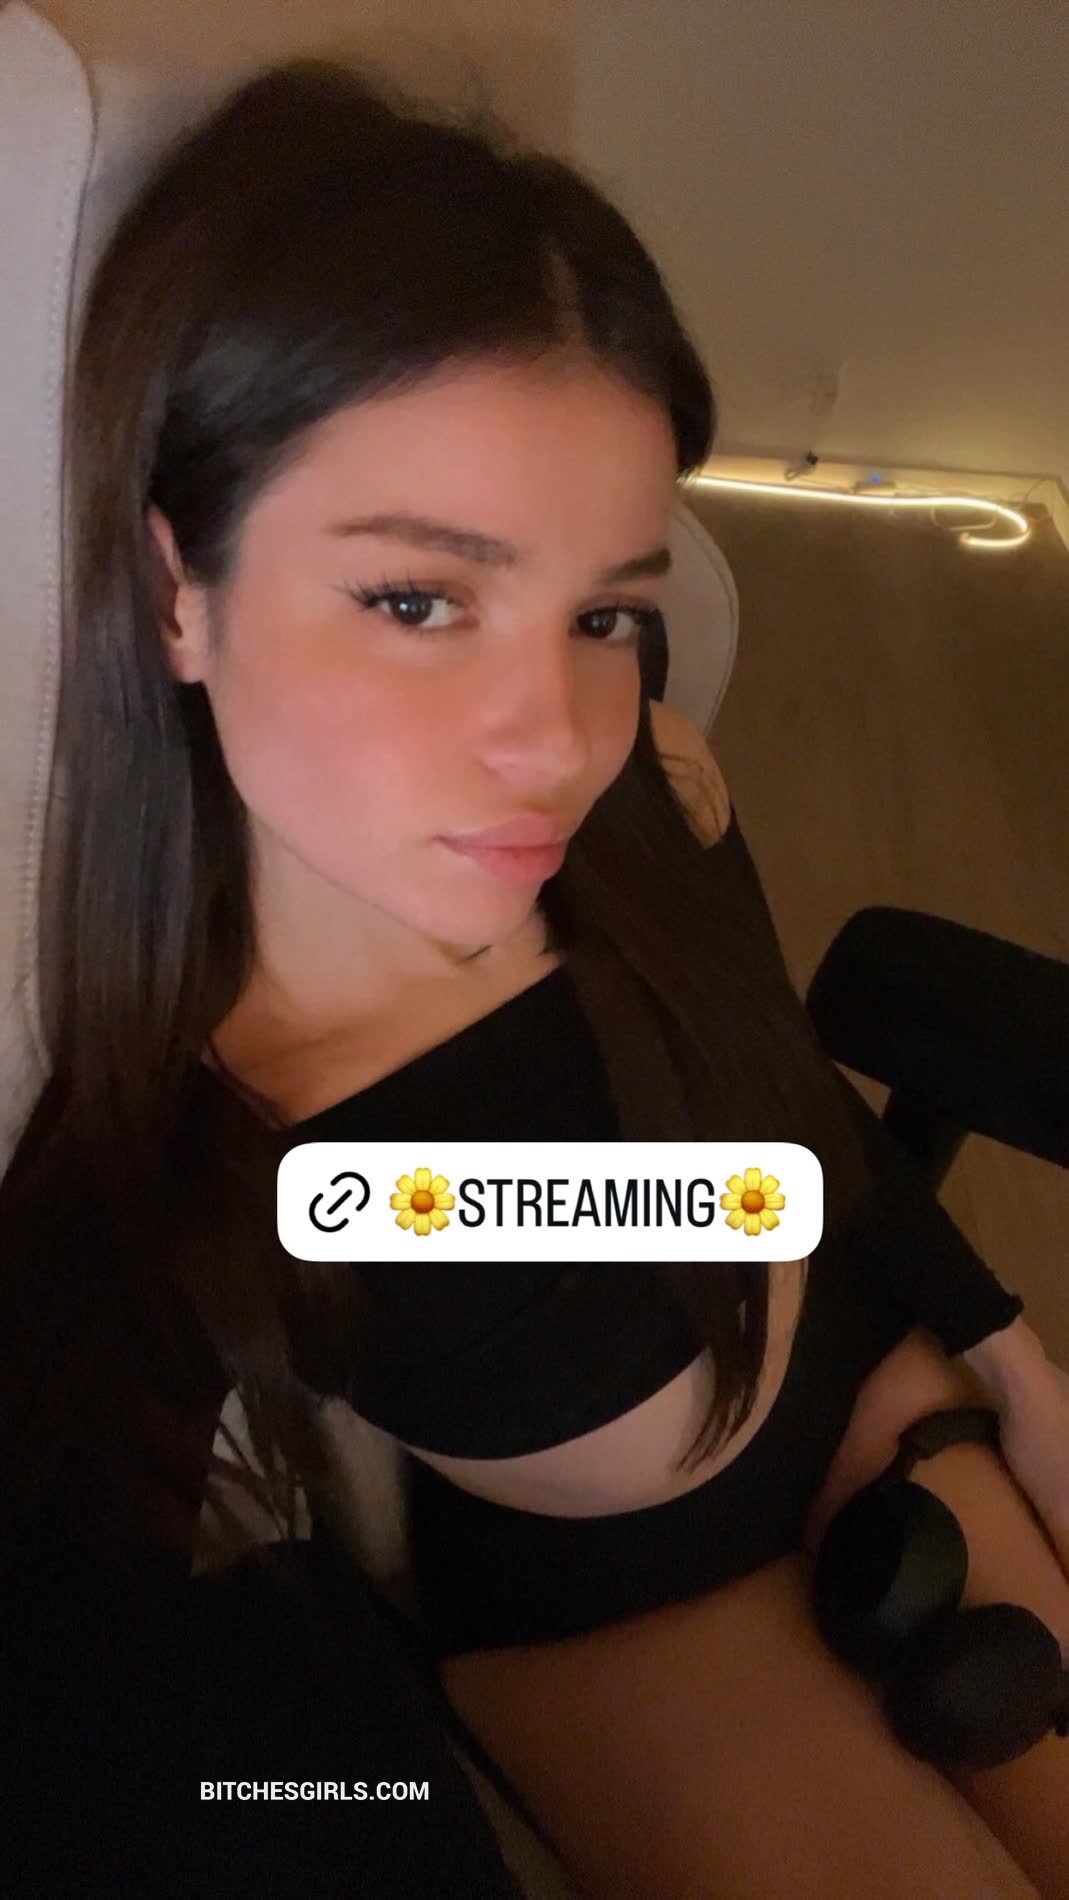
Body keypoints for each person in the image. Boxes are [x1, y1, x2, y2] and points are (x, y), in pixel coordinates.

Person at [2, 52, 1066, 1899]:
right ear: (179, 587)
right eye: (418, 600)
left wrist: (1008, 1355)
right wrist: (343, 1811)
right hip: (642, 1615)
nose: (555, 737)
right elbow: (99, 1727)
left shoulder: (644, 789)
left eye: (602, 611)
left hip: (887, 1395)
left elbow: (779, 1120)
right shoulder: (184, 1157)